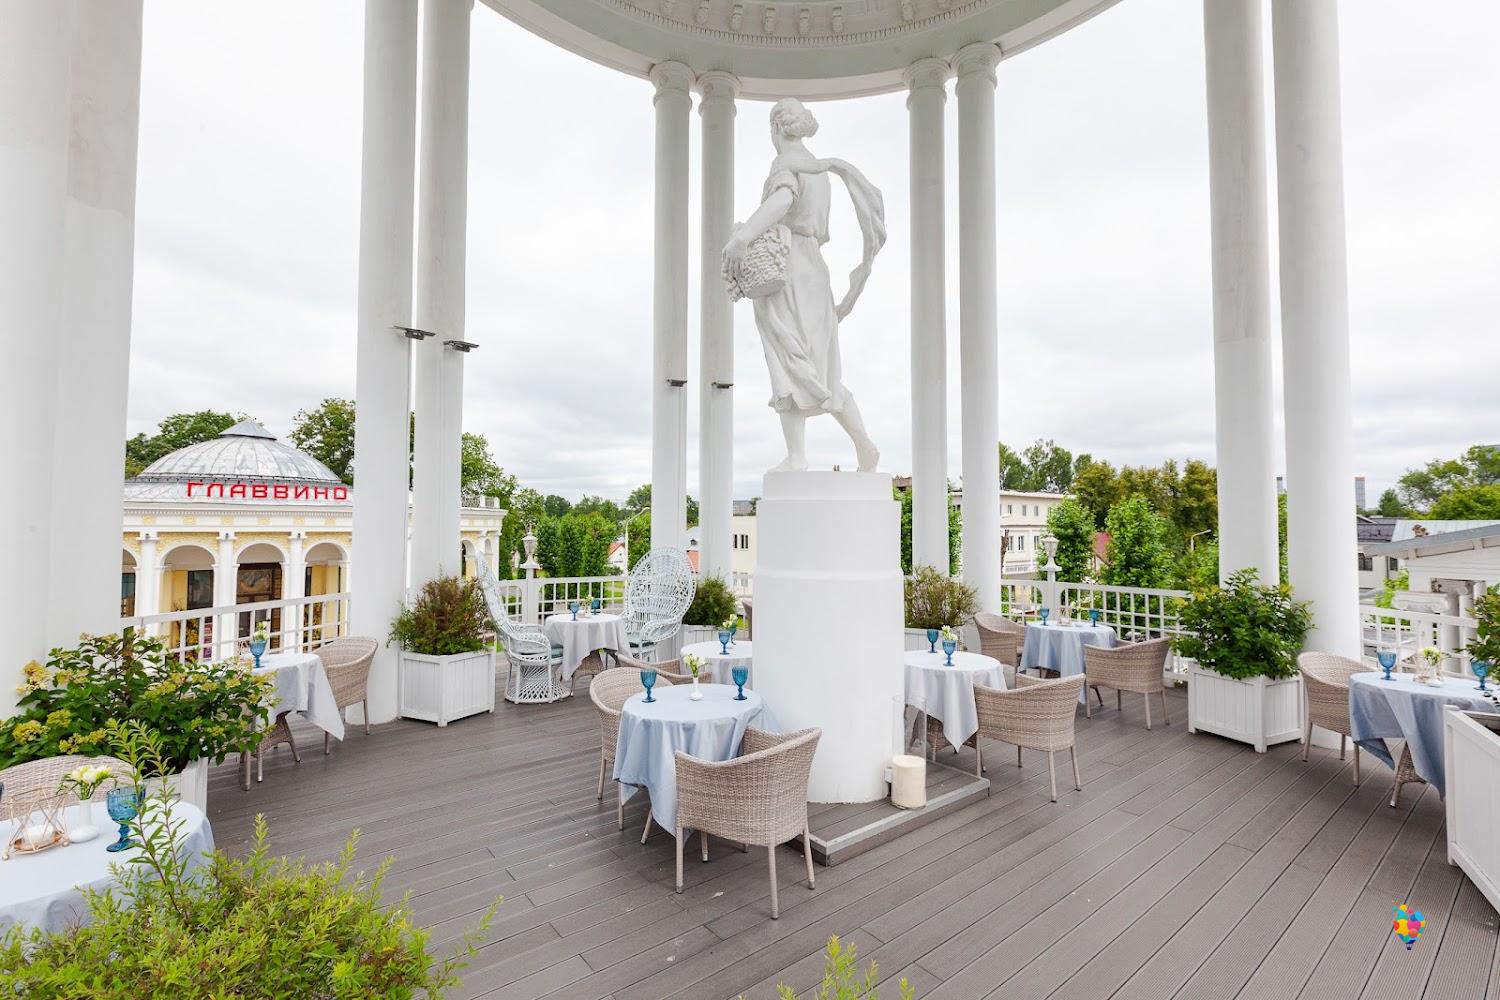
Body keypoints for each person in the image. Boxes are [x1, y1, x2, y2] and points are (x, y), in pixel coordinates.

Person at [723, 98, 886, 473]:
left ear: (777, 127)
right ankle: (864, 444)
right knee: (823, 366)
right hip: (815, 269)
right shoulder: (821, 172)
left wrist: (743, 238)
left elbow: (783, 200)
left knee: (788, 358)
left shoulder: (787, 164)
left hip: (788, 266)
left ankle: (797, 456)